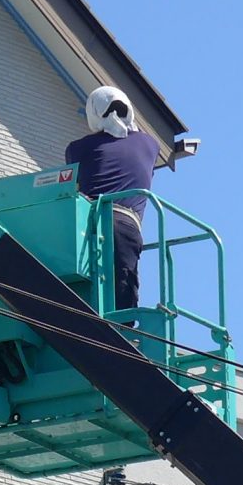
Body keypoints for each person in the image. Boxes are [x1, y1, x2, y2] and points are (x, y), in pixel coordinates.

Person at [65, 84, 164, 314]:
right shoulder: (150, 145)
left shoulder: (79, 148)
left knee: (82, 284)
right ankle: (124, 333)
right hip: (128, 226)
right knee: (124, 286)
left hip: (90, 223)